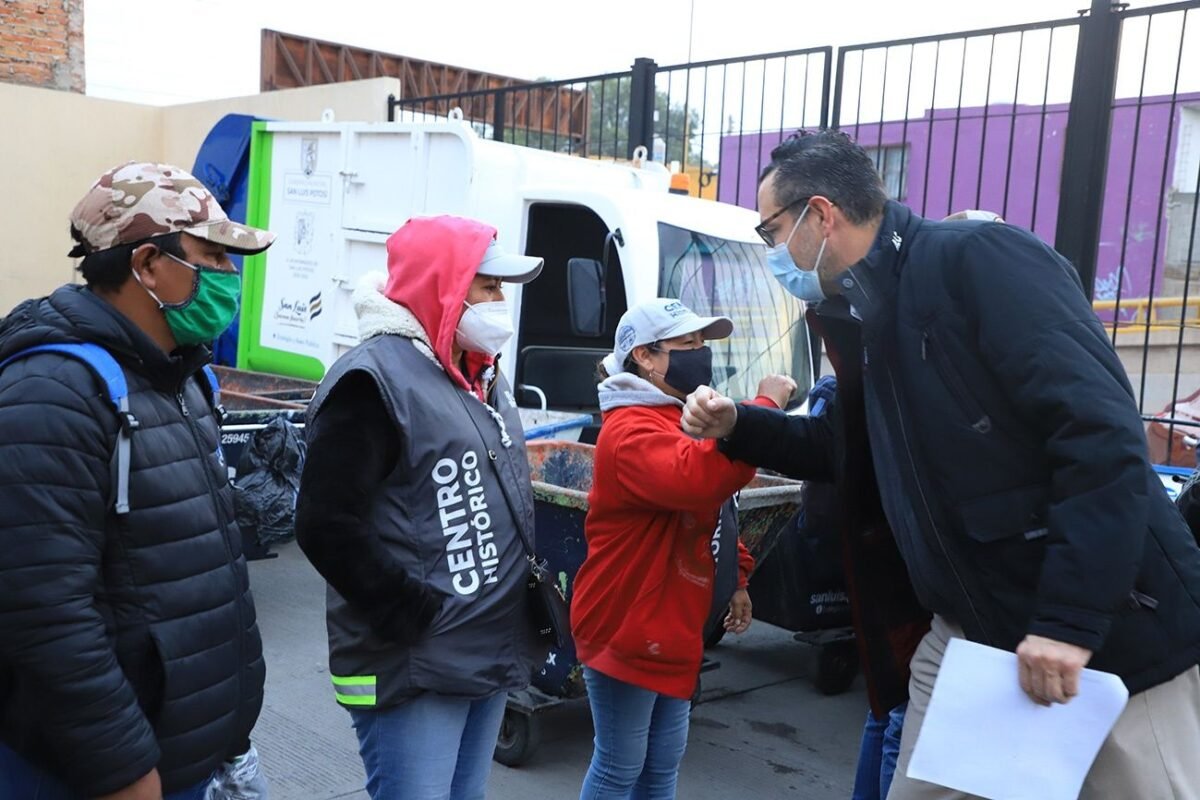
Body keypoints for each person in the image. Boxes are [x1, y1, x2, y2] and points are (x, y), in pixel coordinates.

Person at [682, 130, 1200, 799]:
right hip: (970, 633)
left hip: (1115, 640)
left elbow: (1100, 435)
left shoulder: (979, 260)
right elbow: (845, 448)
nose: (771, 251)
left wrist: (1069, 619)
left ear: (820, 214)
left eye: (771, 230)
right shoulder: (869, 311)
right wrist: (738, 425)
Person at [0, 162, 271, 799]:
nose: (230, 278)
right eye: (214, 258)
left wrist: (229, 735)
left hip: (185, 754)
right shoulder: (51, 393)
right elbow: (43, 613)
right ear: (147, 264)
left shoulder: (182, 378)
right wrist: (121, 767)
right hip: (98, 775)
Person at [294, 215, 546, 800]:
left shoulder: (479, 371)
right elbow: (326, 523)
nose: (500, 302)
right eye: (488, 286)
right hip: (419, 657)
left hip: (484, 645)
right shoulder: (371, 382)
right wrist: (410, 612)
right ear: (445, 286)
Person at [571, 298, 794, 800]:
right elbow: (697, 479)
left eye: (702, 343)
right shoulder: (629, 429)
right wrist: (764, 410)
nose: (700, 353)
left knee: (662, 765)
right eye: (687, 343)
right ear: (645, 357)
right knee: (620, 766)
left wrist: (736, 577)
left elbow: (715, 510)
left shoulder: (677, 418)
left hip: (671, 625)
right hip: (627, 623)